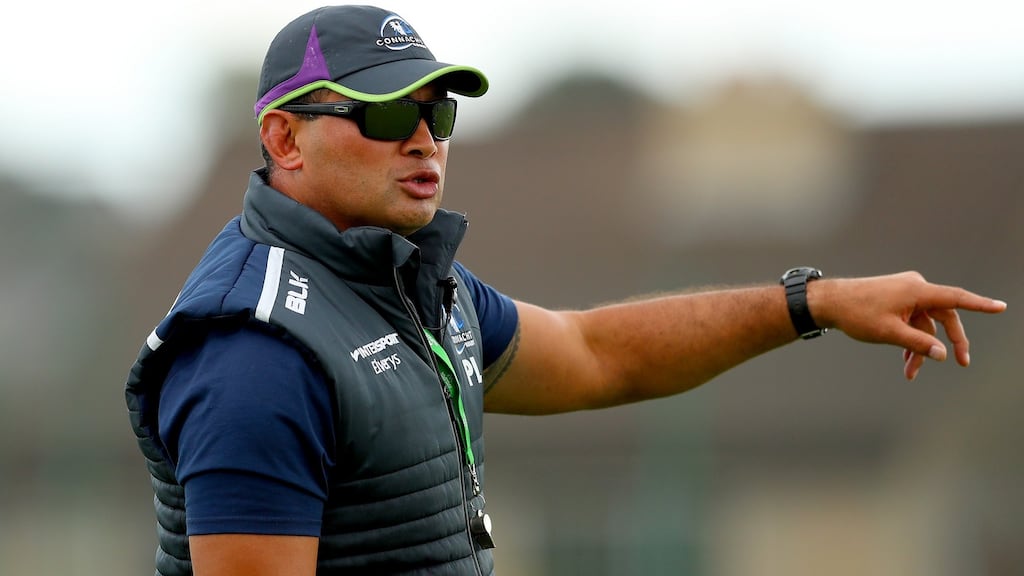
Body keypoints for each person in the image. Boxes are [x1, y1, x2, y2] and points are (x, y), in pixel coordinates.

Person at [125, 5, 1007, 576]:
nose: (426, 140)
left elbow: (595, 354)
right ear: (285, 139)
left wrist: (810, 304)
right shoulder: (255, 353)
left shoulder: (402, 277)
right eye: (390, 114)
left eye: (441, 114)